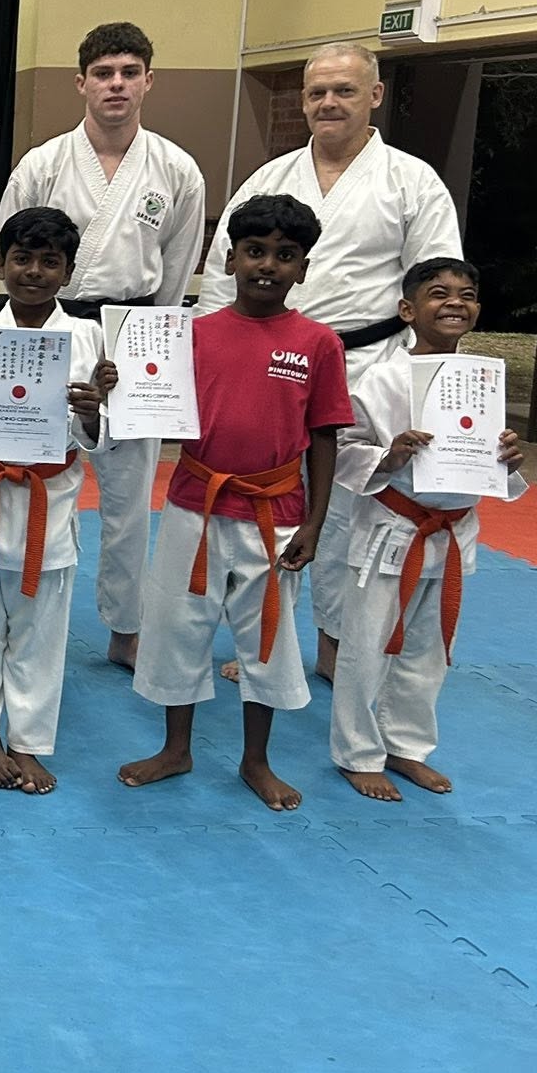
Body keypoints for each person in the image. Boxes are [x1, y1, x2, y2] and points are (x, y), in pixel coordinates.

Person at [197, 41, 461, 683]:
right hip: (271, 358)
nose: (328, 103)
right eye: (316, 92)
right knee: (269, 497)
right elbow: (218, 274)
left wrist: (431, 372)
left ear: (374, 95)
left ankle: (338, 644)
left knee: (352, 510)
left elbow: (437, 282)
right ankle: (264, 635)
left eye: (343, 90)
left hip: (372, 360)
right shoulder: (269, 179)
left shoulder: (411, 179)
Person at [122, 195, 352, 811]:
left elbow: (324, 434)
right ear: (230, 258)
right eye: (254, 251)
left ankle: (256, 760)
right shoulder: (194, 336)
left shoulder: (317, 344)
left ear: (303, 267)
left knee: (267, 640)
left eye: (284, 255)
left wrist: (316, 520)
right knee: (177, 626)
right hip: (194, 503)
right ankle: (176, 748)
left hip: (274, 512)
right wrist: (122, 389)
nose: (267, 266)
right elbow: (159, 412)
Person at [0, 24, 206, 668]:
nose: (117, 83)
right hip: (49, 329)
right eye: (105, 72)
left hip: (134, 332)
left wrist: (151, 336)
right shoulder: (43, 163)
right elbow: (14, 250)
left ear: (149, 81)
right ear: (81, 82)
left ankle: (125, 627)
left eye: (129, 71)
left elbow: (178, 266)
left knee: (128, 493)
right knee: (31, 475)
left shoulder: (176, 168)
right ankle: (18, 603)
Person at [330, 257, 525, 802]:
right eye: (439, 293)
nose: (455, 302)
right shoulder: (381, 378)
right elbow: (344, 449)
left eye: (467, 294)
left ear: (479, 310)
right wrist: (388, 457)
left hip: (454, 530)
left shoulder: (482, 379)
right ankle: (358, 753)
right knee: (367, 647)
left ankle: (407, 746)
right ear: (407, 310)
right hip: (392, 525)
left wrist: (508, 460)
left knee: (430, 649)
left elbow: (488, 460)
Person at [0, 206, 110, 795]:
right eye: (22, 258)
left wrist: (91, 415)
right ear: (2, 264)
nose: (34, 272)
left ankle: (29, 741)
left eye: (49, 262)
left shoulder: (87, 338)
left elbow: (98, 438)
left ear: (67, 271)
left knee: (40, 634)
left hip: (50, 503)